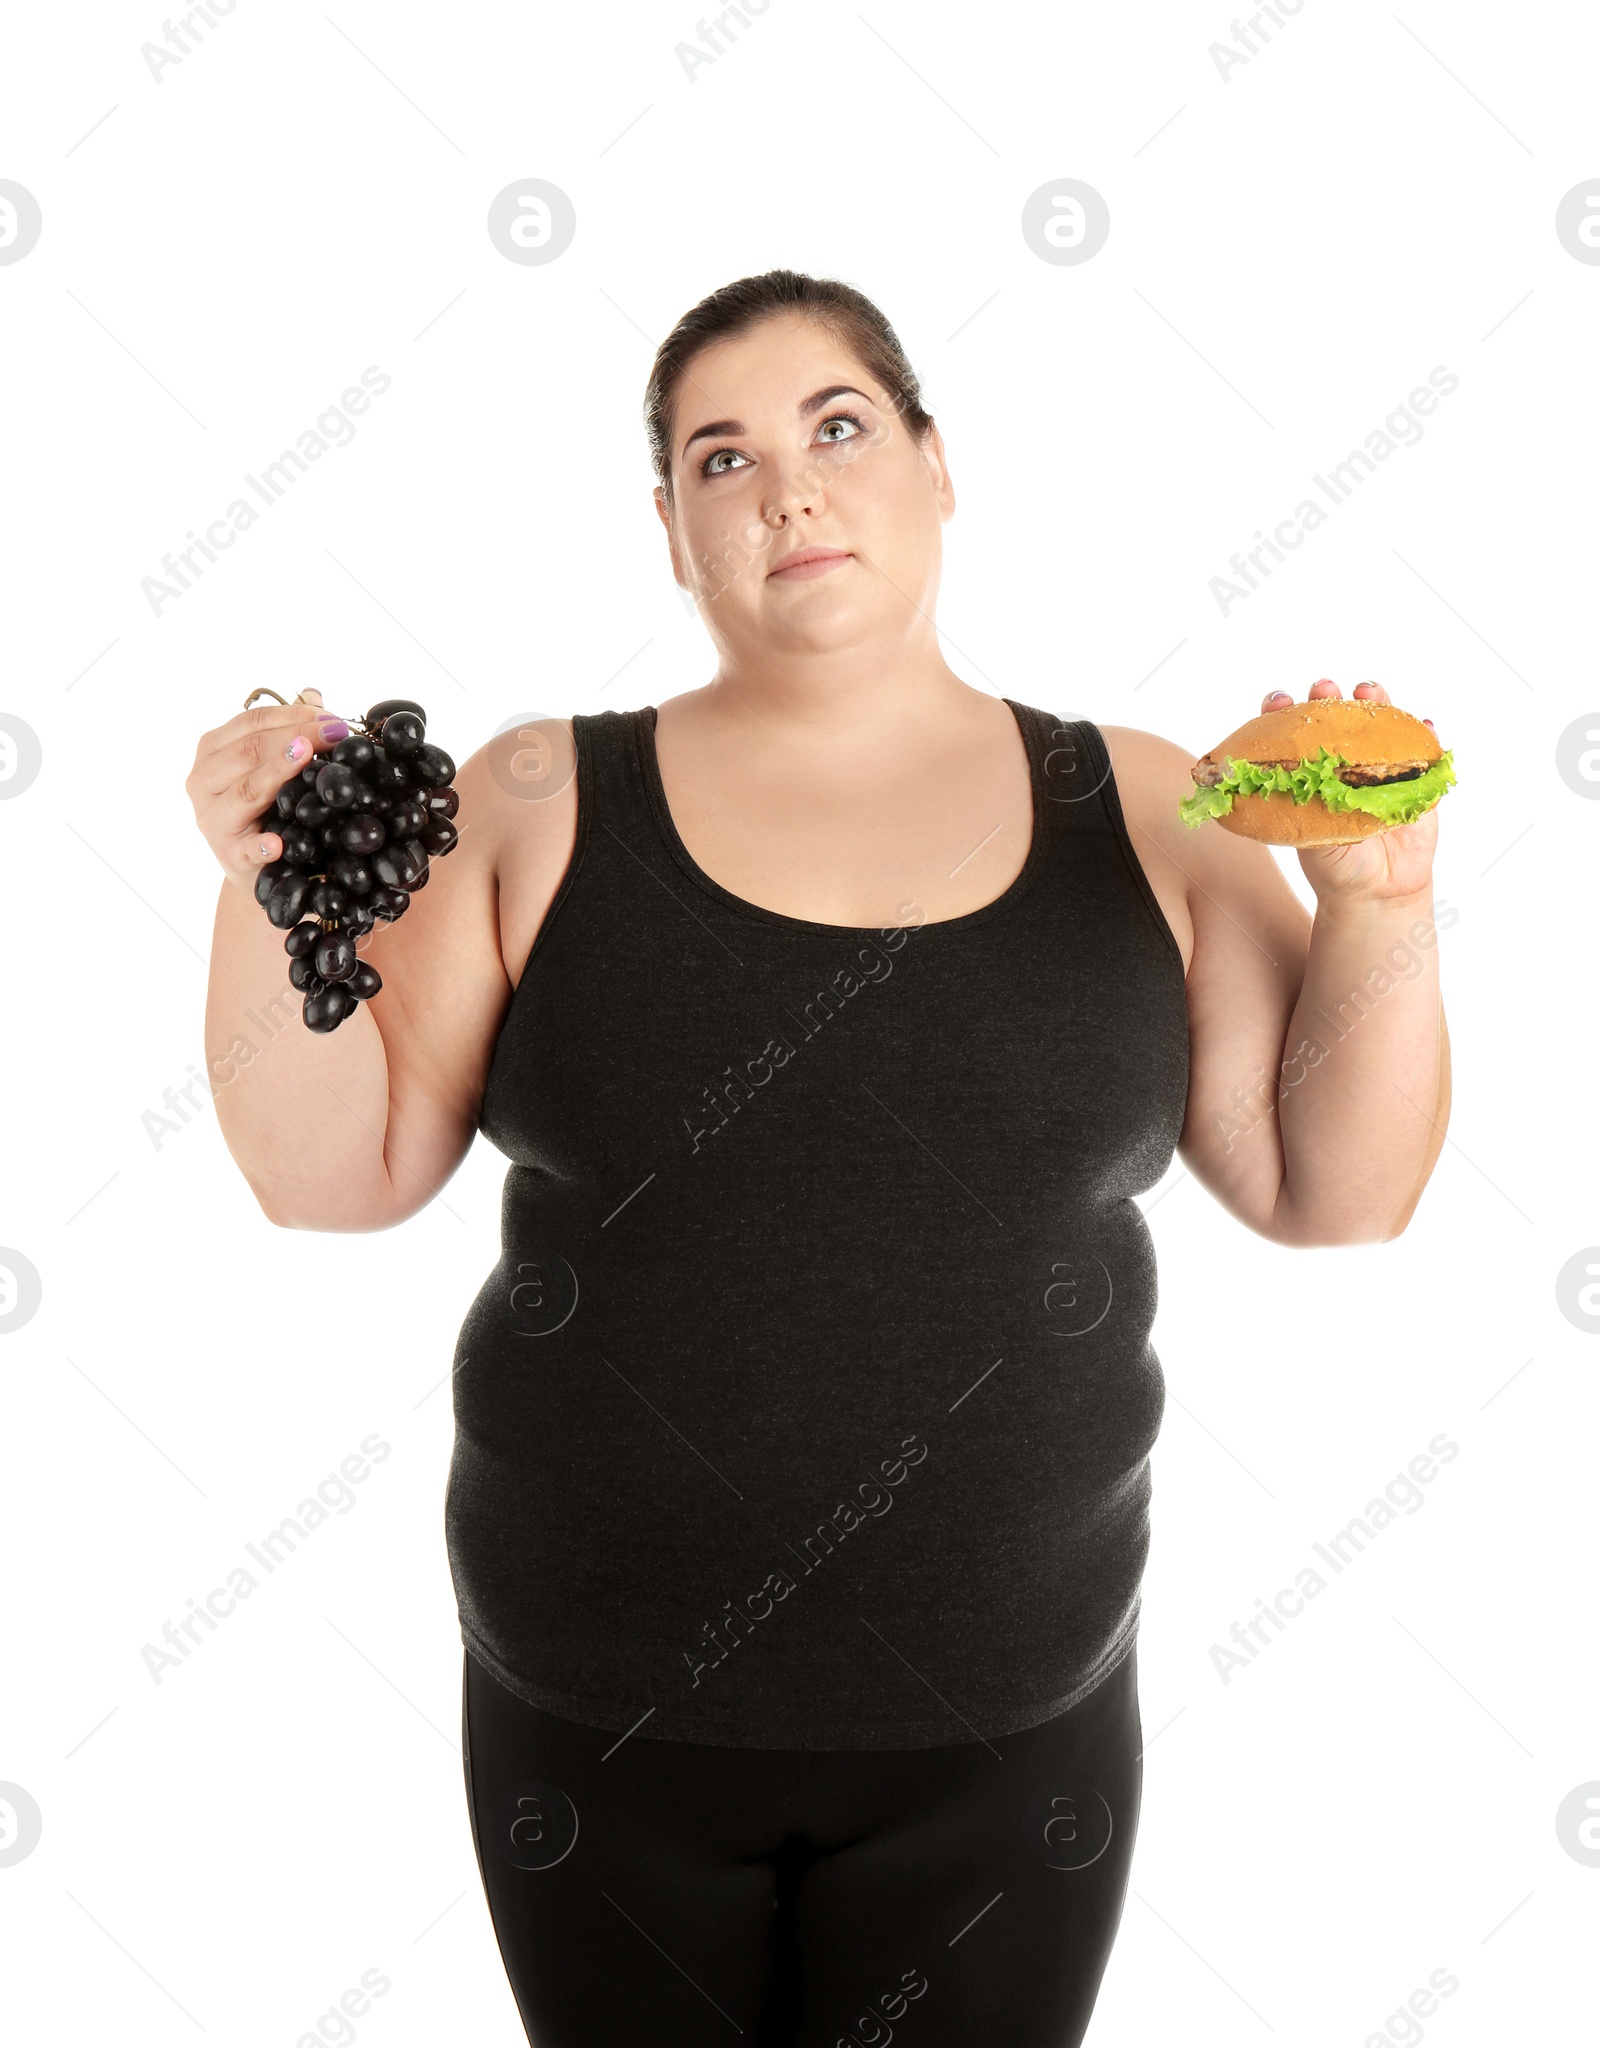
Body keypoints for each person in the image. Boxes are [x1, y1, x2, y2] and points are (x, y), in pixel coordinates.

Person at [188, 269, 1450, 2047]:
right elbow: (338, 1174)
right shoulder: (536, 802)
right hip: (597, 1711)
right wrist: (265, 885)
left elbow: (1343, 1193)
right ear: (673, 533)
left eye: (838, 428)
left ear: (939, 466)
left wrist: (1380, 897)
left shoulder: (1154, 809)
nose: (788, 487)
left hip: (1013, 1723)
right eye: (724, 457)